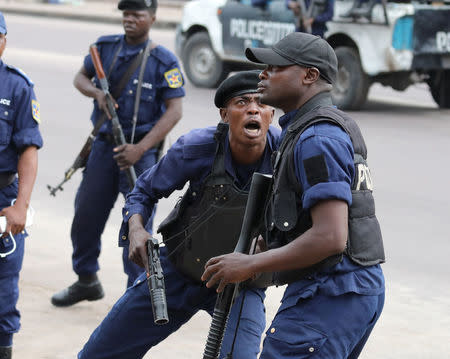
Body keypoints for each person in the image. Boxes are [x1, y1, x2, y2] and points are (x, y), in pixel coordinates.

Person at [202, 32, 386, 358]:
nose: (263, 74)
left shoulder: (317, 137)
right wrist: (273, 244)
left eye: (274, 67)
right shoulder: (316, 126)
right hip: (346, 288)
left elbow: (331, 237)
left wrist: (251, 263)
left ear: (309, 75)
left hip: (331, 291)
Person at [77, 70, 279, 359]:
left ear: (271, 113)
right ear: (225, 114)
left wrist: (270, 247)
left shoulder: (287, 155)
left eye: (261, 103)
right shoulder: (197, 147)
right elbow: (143, 192)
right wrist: (136, 229)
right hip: (178, 271)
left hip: (240, 285)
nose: (253, 109)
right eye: (242, 102)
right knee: (98, 354)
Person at [51, 0, 185, 307]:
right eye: (126, 14)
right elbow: (80, 78)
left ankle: (134, 293)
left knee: (136, 226)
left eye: (137, 14)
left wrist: (140, 148)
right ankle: (86, 280)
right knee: (86, 215)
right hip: (103, 147)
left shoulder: (164, 61)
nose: (130, 19)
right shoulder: (105, 48)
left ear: (152, 18)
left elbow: (174, 111)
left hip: (141, 152)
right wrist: (97, 93)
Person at [0, 11, 43, 359]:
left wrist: (21, 206)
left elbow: (28, 151)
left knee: (2, 290)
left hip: (4, 196)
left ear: (4, 41)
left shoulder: (18, 86)